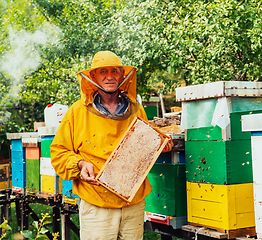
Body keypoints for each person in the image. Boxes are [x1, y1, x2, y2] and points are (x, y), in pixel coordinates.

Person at [50, 51, 172, 240]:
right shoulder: (77, 112)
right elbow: (59, 152)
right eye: (103, 71)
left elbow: (142, 148)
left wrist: (158, 146)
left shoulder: (136, 109)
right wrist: (80, 164)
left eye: (114, 71)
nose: (109, 76)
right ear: (93, 77)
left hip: (133, 203)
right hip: (97, 203)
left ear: (122, 75)